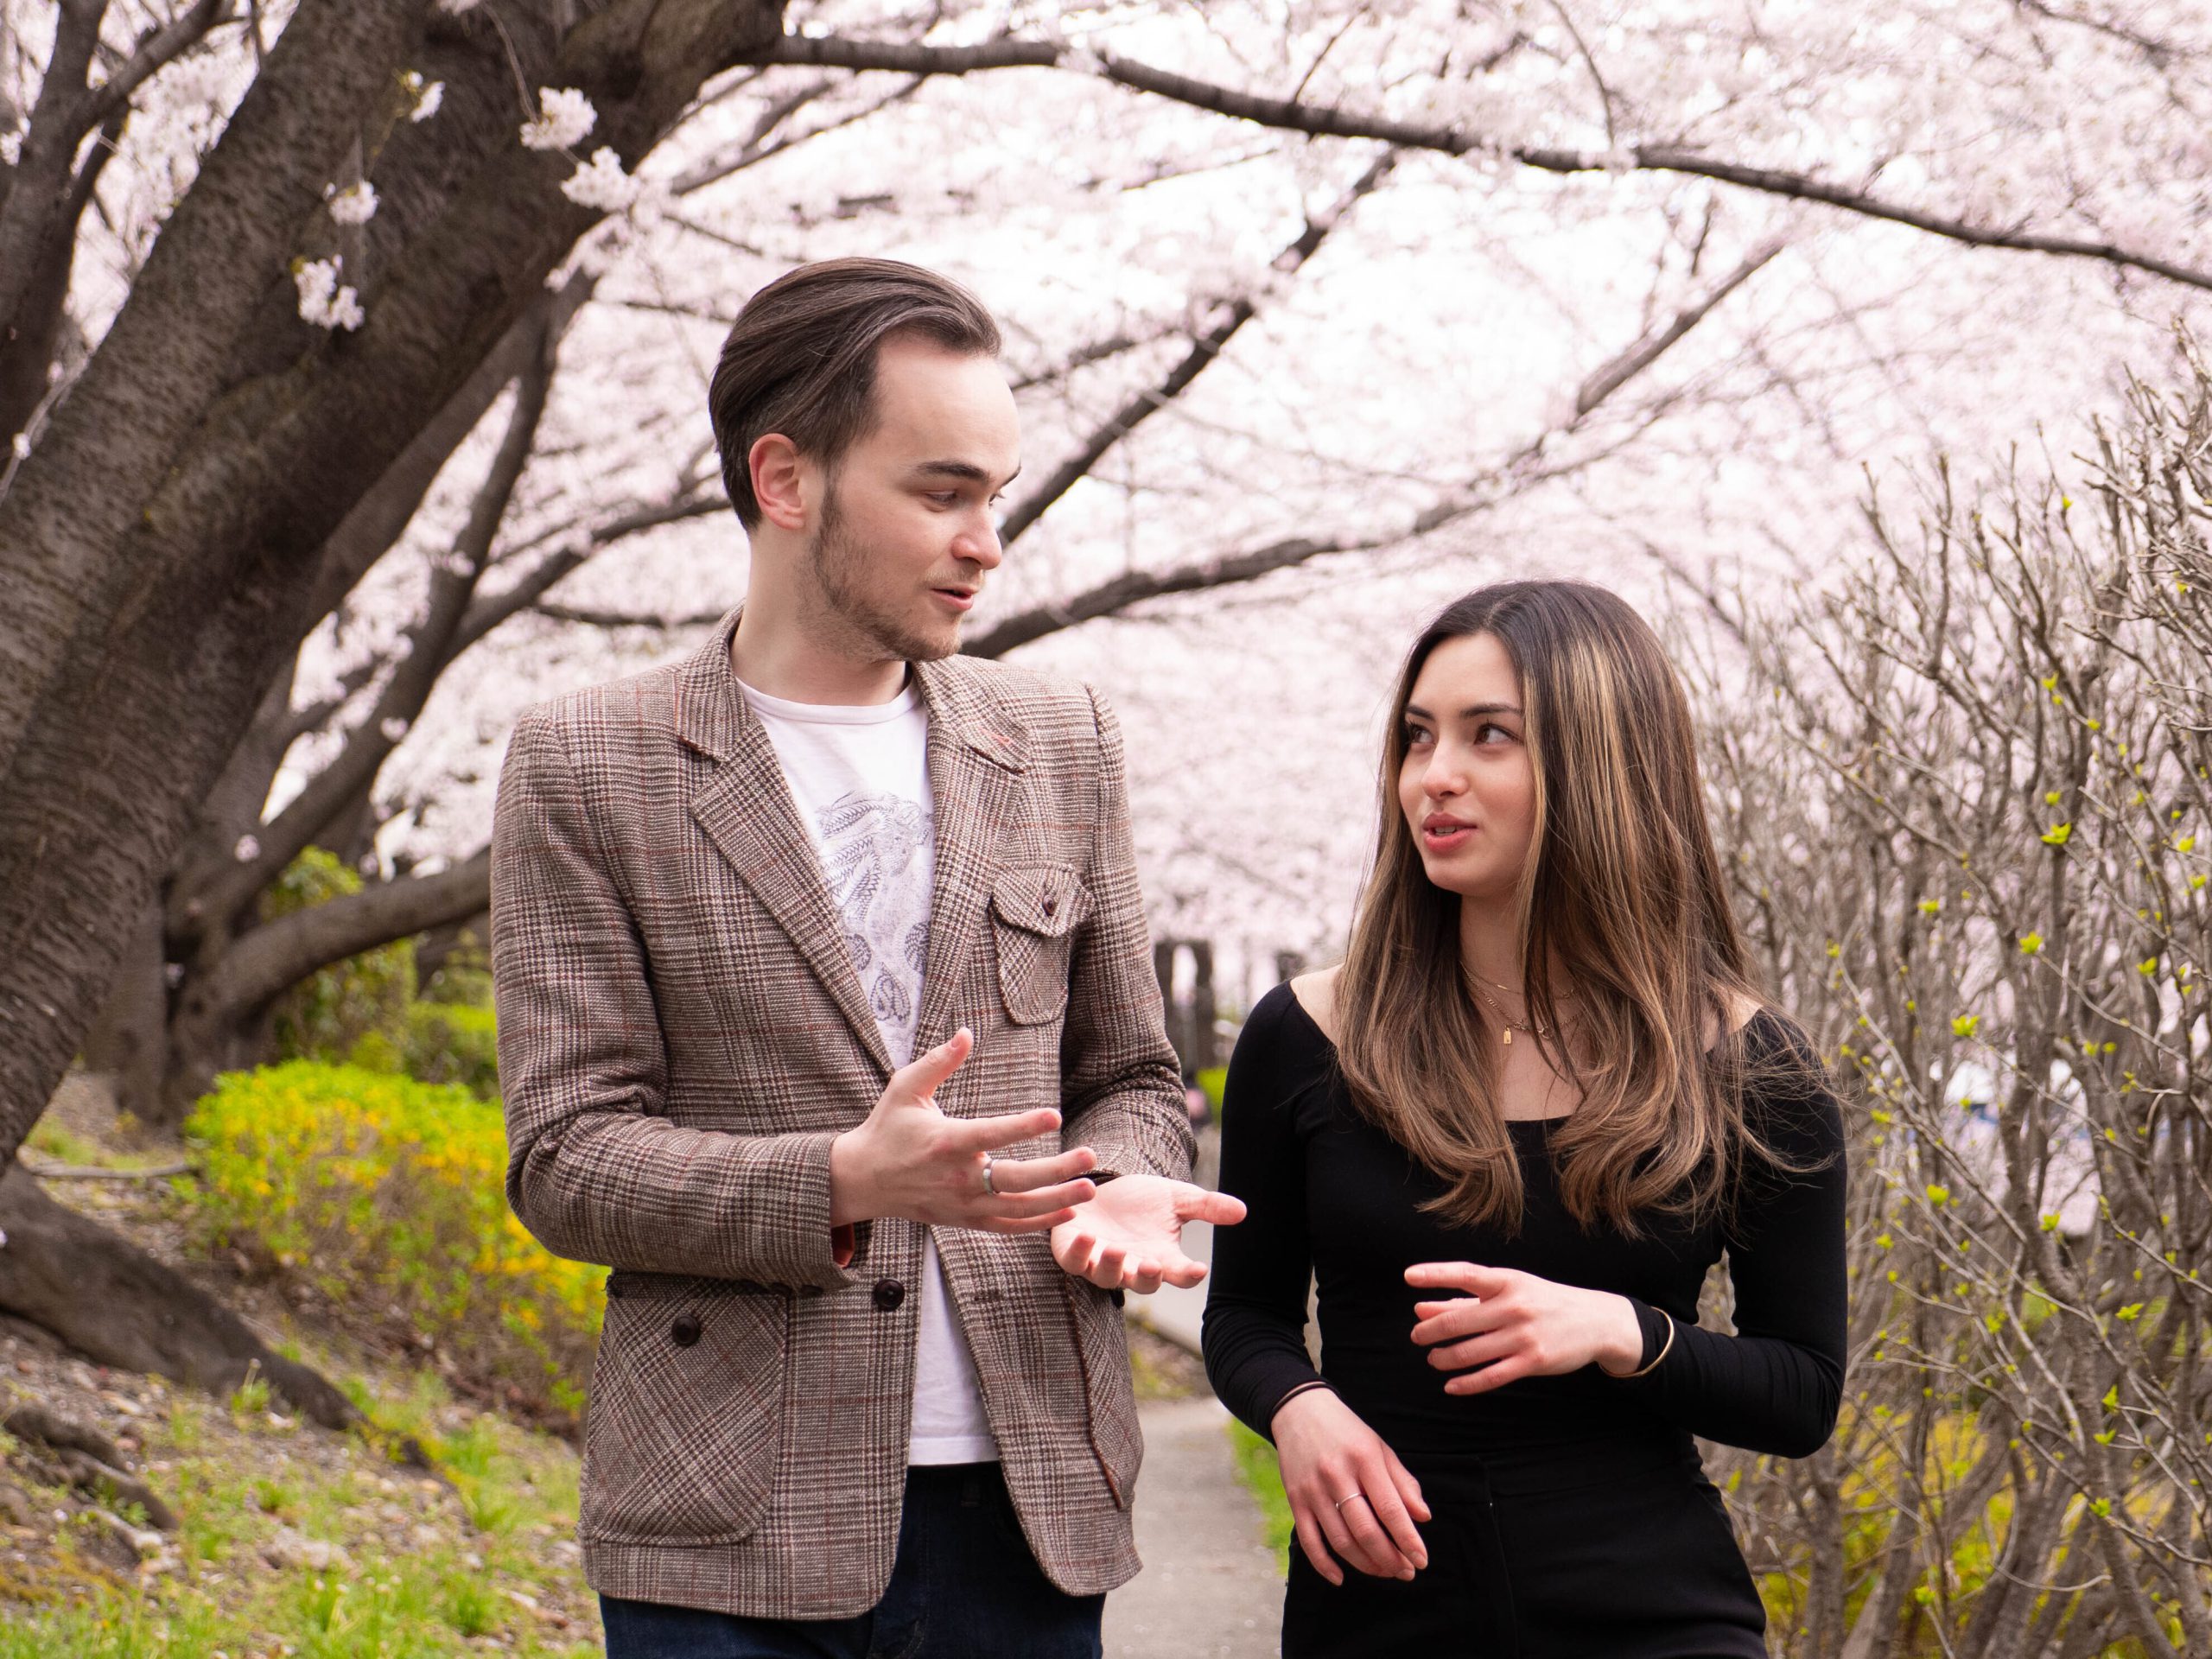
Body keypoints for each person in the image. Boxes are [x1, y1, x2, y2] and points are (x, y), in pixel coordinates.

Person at [491, 257, 1243, 1659]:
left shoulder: (1062, 740)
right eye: (941, 492)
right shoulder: (587, 760)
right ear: (787, 480)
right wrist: (839, 1180)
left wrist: (1127, 1176)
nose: (986, 543)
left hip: (1029, 1500)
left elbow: (1134, 1071)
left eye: (996, 498)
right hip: (723, 1526)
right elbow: (565, 1156)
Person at [1202, 581, 1846, 1657]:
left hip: (1655, 1616)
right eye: (1417, 737)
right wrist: (1297, 1410)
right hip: (1378, 1613)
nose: (1433, 778)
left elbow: (1801, 1391)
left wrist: (1622, 1331)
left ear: (1599, 763)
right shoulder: (1307, 1034)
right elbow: (1246, 1321)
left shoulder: (1749, 1065)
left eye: (1487, 736)